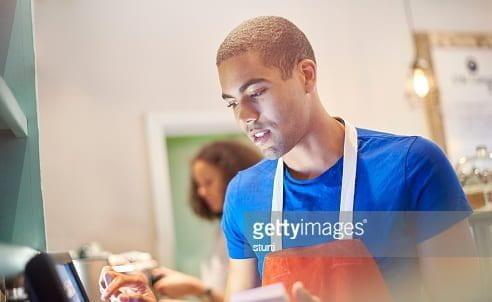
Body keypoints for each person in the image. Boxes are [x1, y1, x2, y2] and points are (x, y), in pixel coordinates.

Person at [100, 16, 482, 302]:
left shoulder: (413, 166)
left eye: (256, 92)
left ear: (306, 76)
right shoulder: (244, 193)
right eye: (233, 102)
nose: (244, 116)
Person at [150, 141, 261, 301]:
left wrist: (197, 288)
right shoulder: (223, 227)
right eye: (199, 185)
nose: (201, 192)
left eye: (208, 182)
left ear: (233, 179)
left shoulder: (254, 228)